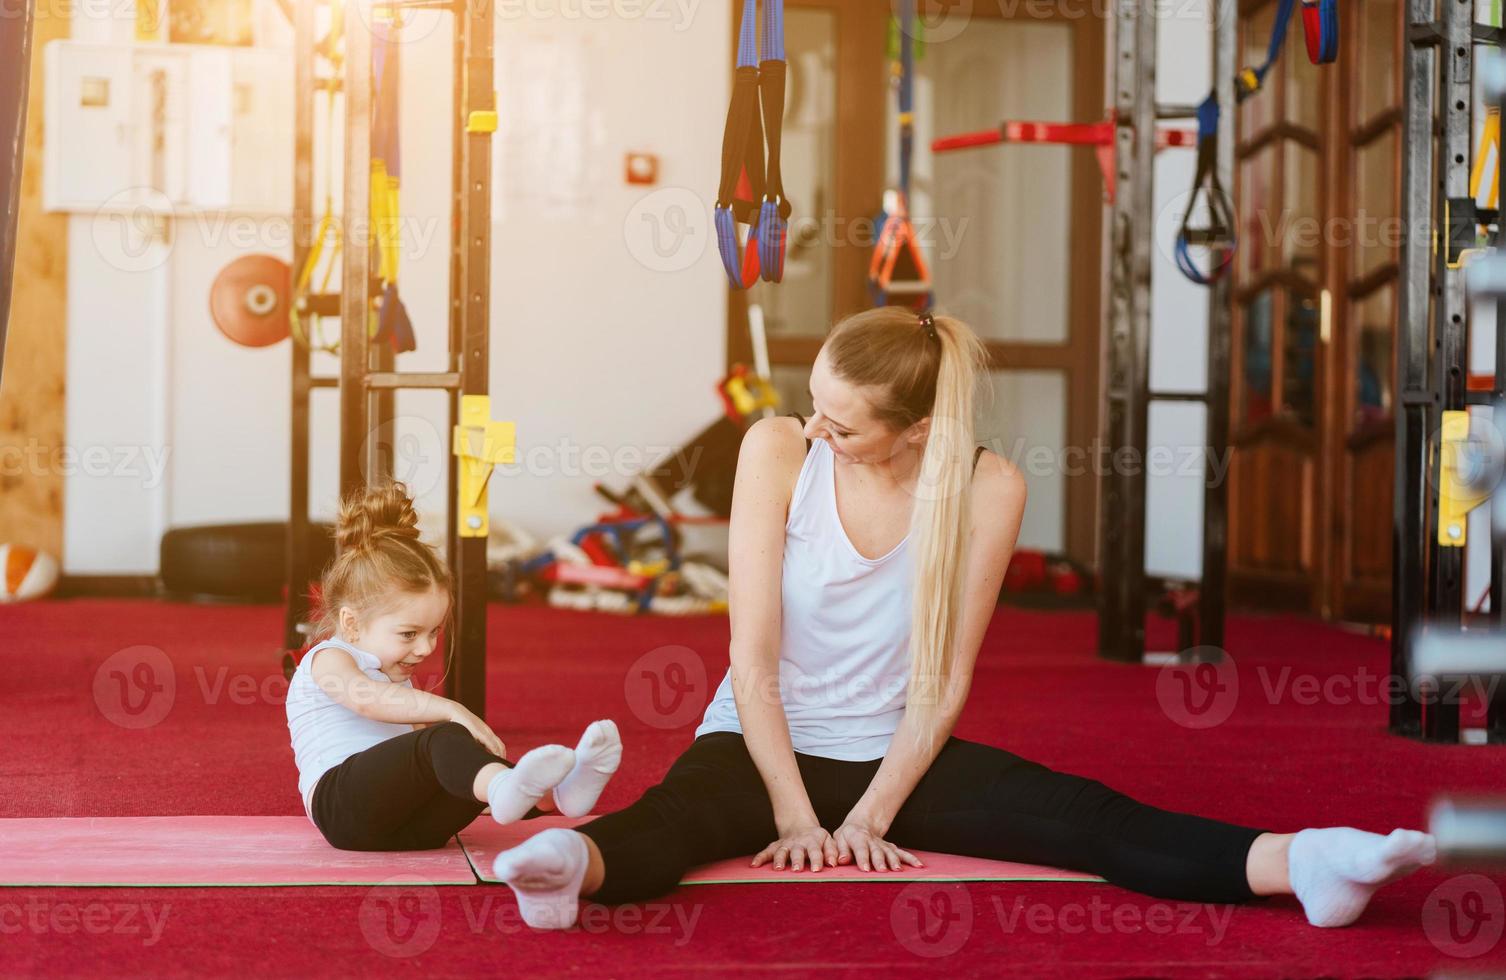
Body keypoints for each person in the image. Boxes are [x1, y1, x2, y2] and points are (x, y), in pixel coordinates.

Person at [492, 308, 1434, 930]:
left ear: (913, 429)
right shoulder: (777, 448)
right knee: (670, 824)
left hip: (894, 750)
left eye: (843, 423)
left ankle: (1306, 861)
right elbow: (753, 652)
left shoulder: (986, 486)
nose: (817, 429)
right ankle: (565, 865)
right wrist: (791, 807)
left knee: (1085, 819)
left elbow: (943, 682)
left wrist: (868, 814)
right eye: (815, 407)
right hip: (758, 739)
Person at [285, 482, 623, 851]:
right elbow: (367, 700)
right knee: (442, 739)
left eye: (434, 632)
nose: (427, 647)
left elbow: (421, 758)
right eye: (409, 633)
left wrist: (466, 753)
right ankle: (503, 787)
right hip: (342, 809)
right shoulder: (330, 658)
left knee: (461, 754)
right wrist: (451, 709)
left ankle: (553, 796)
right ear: (351, 624)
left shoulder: (397, 681)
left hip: (411, 829)